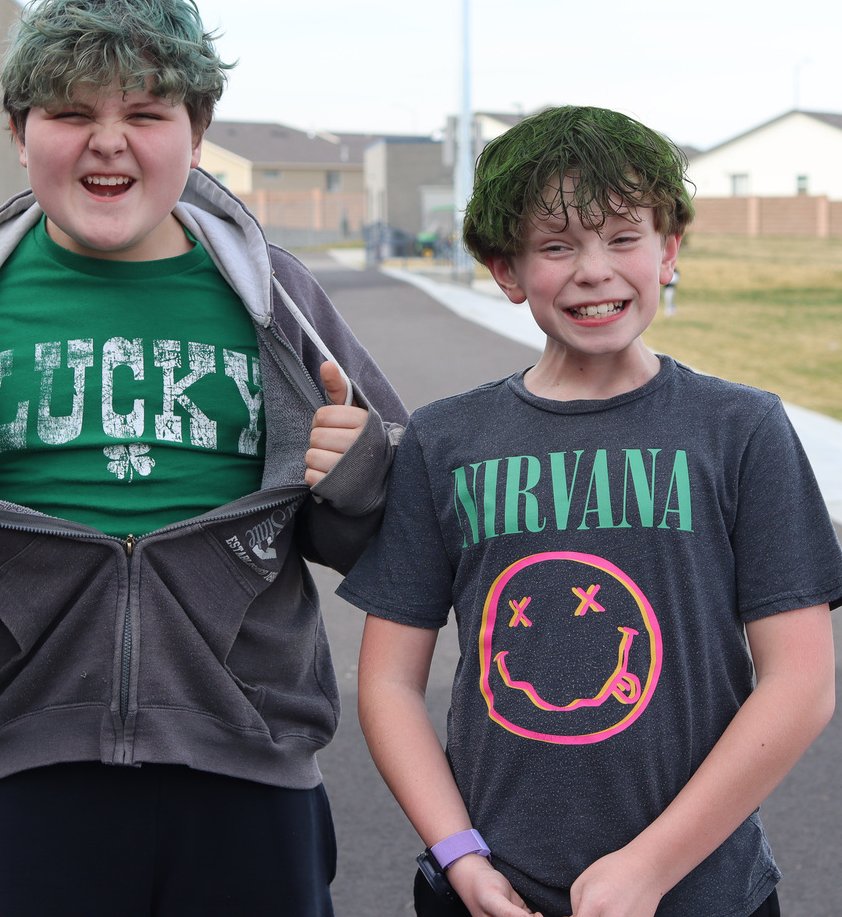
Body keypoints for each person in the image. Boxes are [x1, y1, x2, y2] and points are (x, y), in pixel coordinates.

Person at [0, 0, 407, 917]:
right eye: (67, 111)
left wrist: (365, 474)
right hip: (21, 770)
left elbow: (387, 544)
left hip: (251, 769)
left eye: (145, 111)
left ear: (197, 135)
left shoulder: (279, 302)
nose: (107, 140)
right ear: (18, 135)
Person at [337, 105, 840, 917]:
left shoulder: (741, 430)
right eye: (556, 246)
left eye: (623, 238)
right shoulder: (445, 439)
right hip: (488, 889)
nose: (593, 271)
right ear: (506, 270)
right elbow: (390, 683)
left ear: (669, 250)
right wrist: (459, 857)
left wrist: (648, 869)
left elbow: (803, 681)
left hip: (700, 892)